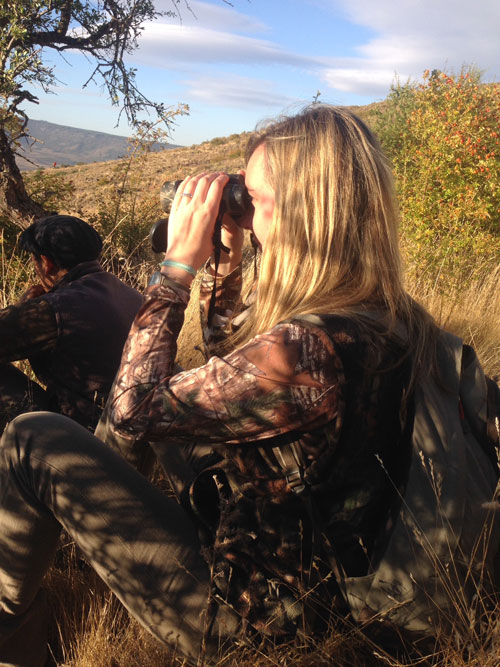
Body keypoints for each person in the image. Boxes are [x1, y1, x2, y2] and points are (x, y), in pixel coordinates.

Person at [0, 107, 497, 666]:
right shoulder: (388, 317)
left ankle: (11, 636)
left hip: (265, 617)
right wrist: (225, 263)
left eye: (251, 197)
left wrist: (176, 272)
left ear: (304, 210)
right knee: (177, 405)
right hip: (332, 564)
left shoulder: (306, 349)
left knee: (31, 438)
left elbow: (131, 408)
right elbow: (231, 365)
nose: (242, 209)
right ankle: (86, 518)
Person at [0, 214, 143, 431]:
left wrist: (22, 306)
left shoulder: (54, 307)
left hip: (88, 433)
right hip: (134, 420)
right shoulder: (130, 293)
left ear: (46, 263)